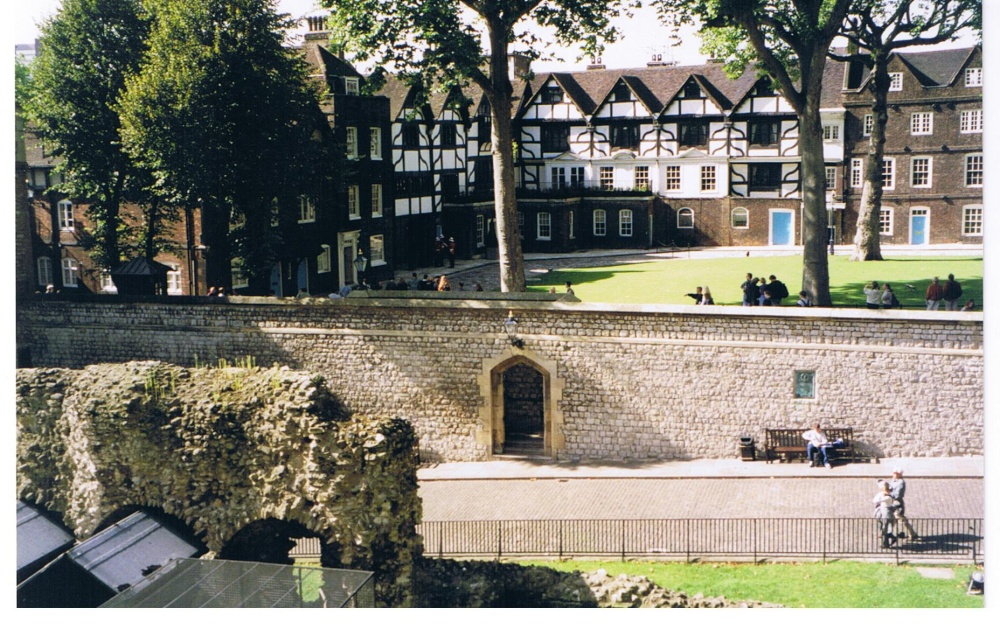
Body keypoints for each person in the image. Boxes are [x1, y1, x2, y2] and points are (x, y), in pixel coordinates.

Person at [888, 468, 919, 541]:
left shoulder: (901, 483)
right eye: (893, 472)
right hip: (891, 502)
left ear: (899, 474)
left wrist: (888, 494)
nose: (893, 474)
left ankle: (912, 534)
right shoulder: (893, 480)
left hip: (897, 503)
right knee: (892, 519)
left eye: (895, 473)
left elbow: (898, 495)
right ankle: (887, 532)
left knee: (901, 519)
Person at [873, 480, 897, 548]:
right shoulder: (887, 495)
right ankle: (886, 542)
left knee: (885, 527)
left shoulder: (887, 497)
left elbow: (876, 501)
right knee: (884, 527)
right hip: (883, 511)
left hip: (885, 512)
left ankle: (887, 542)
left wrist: (881, 497)